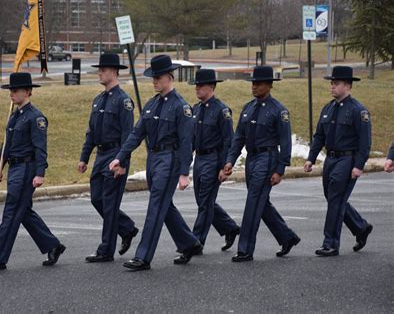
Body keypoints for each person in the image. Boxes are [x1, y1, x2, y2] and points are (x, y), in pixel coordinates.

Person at [109, 55, 203, 271]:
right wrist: (120, 157)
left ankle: (143, 256)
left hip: (169, 160)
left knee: (155, 207)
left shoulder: (182, 107)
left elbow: (187, 142)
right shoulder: (151, 104)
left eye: (158, 77)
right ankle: (189, 243)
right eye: (153, 77)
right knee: (164, 206)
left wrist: (184, 172)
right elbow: (136, 134)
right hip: (153, 159)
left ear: (170, 77)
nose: (154, 81)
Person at [0, 72, 65, 270]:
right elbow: (6, 143)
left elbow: (41, 147)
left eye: (15, 91)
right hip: (14, 168)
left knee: (12, 211)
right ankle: (53, 245)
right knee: (22, 211)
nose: (11, 94)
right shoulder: (14, 116)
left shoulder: (36, 117)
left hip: (26, 168)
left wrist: (40, 173)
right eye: (10, 90)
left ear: (28, 91)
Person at [223, 66, 300, 262]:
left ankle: (245, 249)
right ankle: (287, 237)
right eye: (253, 83)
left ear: (269, 85)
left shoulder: (278, 110)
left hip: (267, 158)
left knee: (253, 202)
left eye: (258, 84)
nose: (254, 87)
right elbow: (239, 137)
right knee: (260, 202)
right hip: (251, 158)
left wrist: (280, 169)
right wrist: (230, 160)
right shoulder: (249, 108)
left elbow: (285, 142)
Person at [304, 66, 373, 257]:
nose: (332, 87)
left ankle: (331, 243)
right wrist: (311, 158)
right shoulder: (328, 108)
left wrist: (358, 166)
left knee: (335, 199)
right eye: (331, 83)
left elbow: (365, 143)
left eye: (336, 83)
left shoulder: (358, 111)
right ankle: (361, 227)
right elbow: (319, 136)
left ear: (348, 86)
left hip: (347, 159)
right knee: (333, 197)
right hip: (331, 159)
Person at [78, 54, 138, 262]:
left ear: (114, 72)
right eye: (99, 70)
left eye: (103, 70)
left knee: (110, 203)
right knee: (97, 199)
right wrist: (84, 157)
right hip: (101, 155)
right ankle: (127, 228)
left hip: (115, 155)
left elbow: (128, 136)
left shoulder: (123, 101)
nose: (100, 73)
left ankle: (106, 250)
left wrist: (122, 163)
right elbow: (91, 132)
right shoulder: (99, 100)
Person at [189, 69, 240, 252]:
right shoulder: (196, 109)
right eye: (196, 85)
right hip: (200, 159)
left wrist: (224, 167)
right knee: (203, 201)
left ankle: (195, 242)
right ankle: (229, 227)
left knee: (205, 202)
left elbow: (229, 140)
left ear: (211, 86)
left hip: (214, 158)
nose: (197, 88)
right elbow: (192, 139)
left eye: (200, 85)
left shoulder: (222, 110)